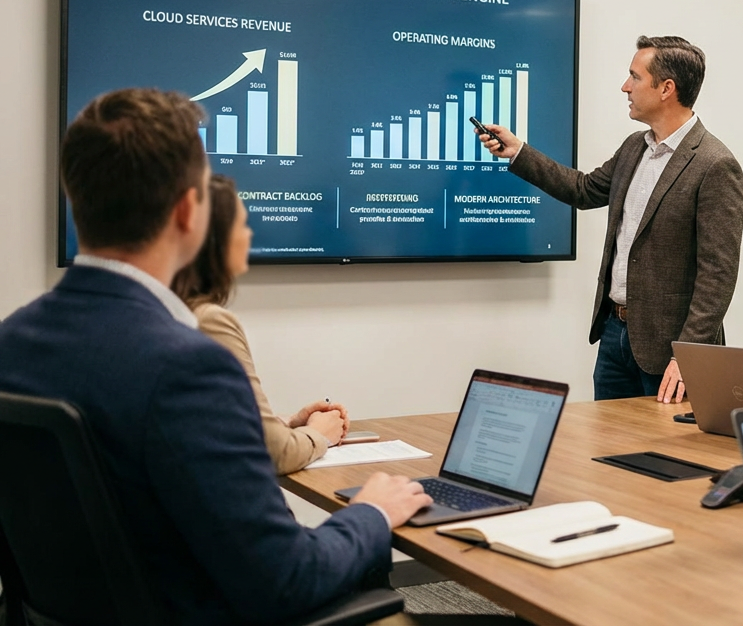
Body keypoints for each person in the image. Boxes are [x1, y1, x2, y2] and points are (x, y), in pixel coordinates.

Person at [0, 89, 431, 624]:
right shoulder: (188, 367)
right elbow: (288, 580)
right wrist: (372, 512)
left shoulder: (11, 342)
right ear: (188, 210)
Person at [479, 35, 743, 403]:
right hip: (614, 337)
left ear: (667, 88)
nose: (625, 87)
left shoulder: (715, 164)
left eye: (635, 77)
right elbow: (584, 190)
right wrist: (519, 152)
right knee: (607, 453)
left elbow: (718, 274)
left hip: (671, 355)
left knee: (668, 456)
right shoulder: (635, 147)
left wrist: (689, 356)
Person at [170, 174, 347, 474]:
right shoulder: (208, 322)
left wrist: (288, 422)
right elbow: (276, 453)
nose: (249, 236)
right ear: (216, 242)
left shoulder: (167, 308)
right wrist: (320, 435)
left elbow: (204, 426)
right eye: (241, 225)